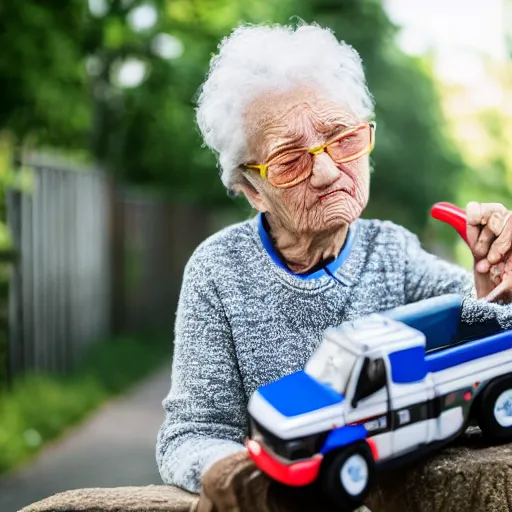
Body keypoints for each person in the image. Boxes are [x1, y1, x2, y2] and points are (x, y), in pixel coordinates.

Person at [156, 21, 512, 505]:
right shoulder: (218, 272)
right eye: (289, 160)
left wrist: (496, 284)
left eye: (342, 138)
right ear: (252, 190)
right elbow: (190, 435)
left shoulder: (392, 251)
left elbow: (481, 326)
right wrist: (256, 484)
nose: (326, 172)